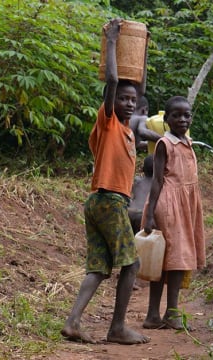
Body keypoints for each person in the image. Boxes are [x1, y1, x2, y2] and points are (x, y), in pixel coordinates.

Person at [61, 18, 150, 345]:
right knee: (132, 264)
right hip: (109, 202)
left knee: (99, 268)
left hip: (101, 203)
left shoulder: (128, 132)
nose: (127, 102)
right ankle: (117, 327)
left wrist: (143, 52)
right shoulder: (109, 123)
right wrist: (112, 41)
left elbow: (139, 86)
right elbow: (113, 79)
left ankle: (73, 322)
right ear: (110, 103)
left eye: (132, 101)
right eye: (122, 99)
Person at [141, 96, 206, 330]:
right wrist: (149, 215)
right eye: (176, 115)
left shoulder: (186, 141)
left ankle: (160, 314)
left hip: (184, 205)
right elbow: (157, 180)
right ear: (166, 119)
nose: (182, 119)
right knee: (170, 260)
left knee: (171, 259)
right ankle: (164, 313)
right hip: (167, 204)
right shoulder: (164, 144)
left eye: (186, 115)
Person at [128, 154, 154, 234]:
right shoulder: (159, 185)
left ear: (142, 169)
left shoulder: (137, 181)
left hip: (130, 212)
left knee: (132, 239)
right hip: (143, 214)